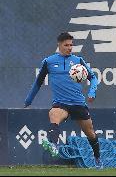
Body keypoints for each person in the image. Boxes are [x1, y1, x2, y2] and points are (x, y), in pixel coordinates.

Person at [24, 32, 101, 166]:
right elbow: (38, 82)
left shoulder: (78, 61)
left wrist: (92, 92)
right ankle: (54, 145)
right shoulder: (49, 62)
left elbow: (93, 78)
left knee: (90, 134)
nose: (69, 48)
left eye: (71, 45)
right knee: (53, 114)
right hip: (61, 103)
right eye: (66, 45)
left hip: (78, 103)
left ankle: (97, 158)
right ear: (59, 45)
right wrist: (28, 100)